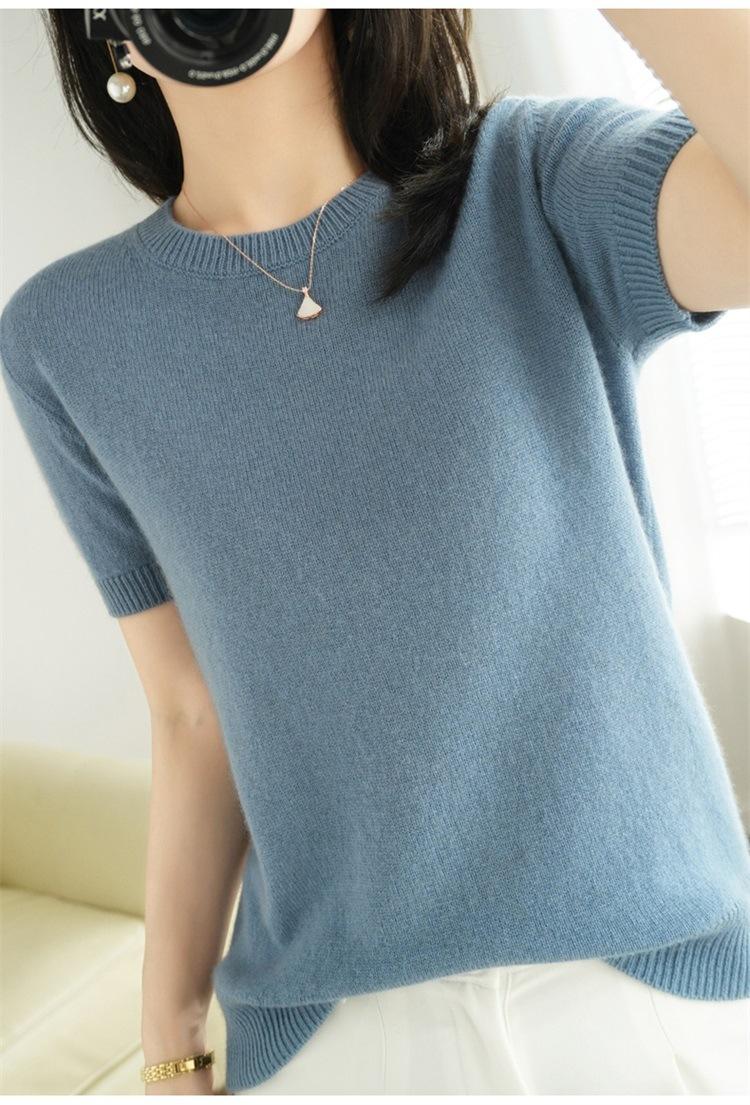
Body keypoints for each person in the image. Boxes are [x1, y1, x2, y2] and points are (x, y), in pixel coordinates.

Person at [1, 6, 748, 1097]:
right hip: (335, 1038)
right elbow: (191, 710)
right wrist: (170, 1043)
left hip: (645, 998)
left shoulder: (530, 181)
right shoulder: (65, 336)